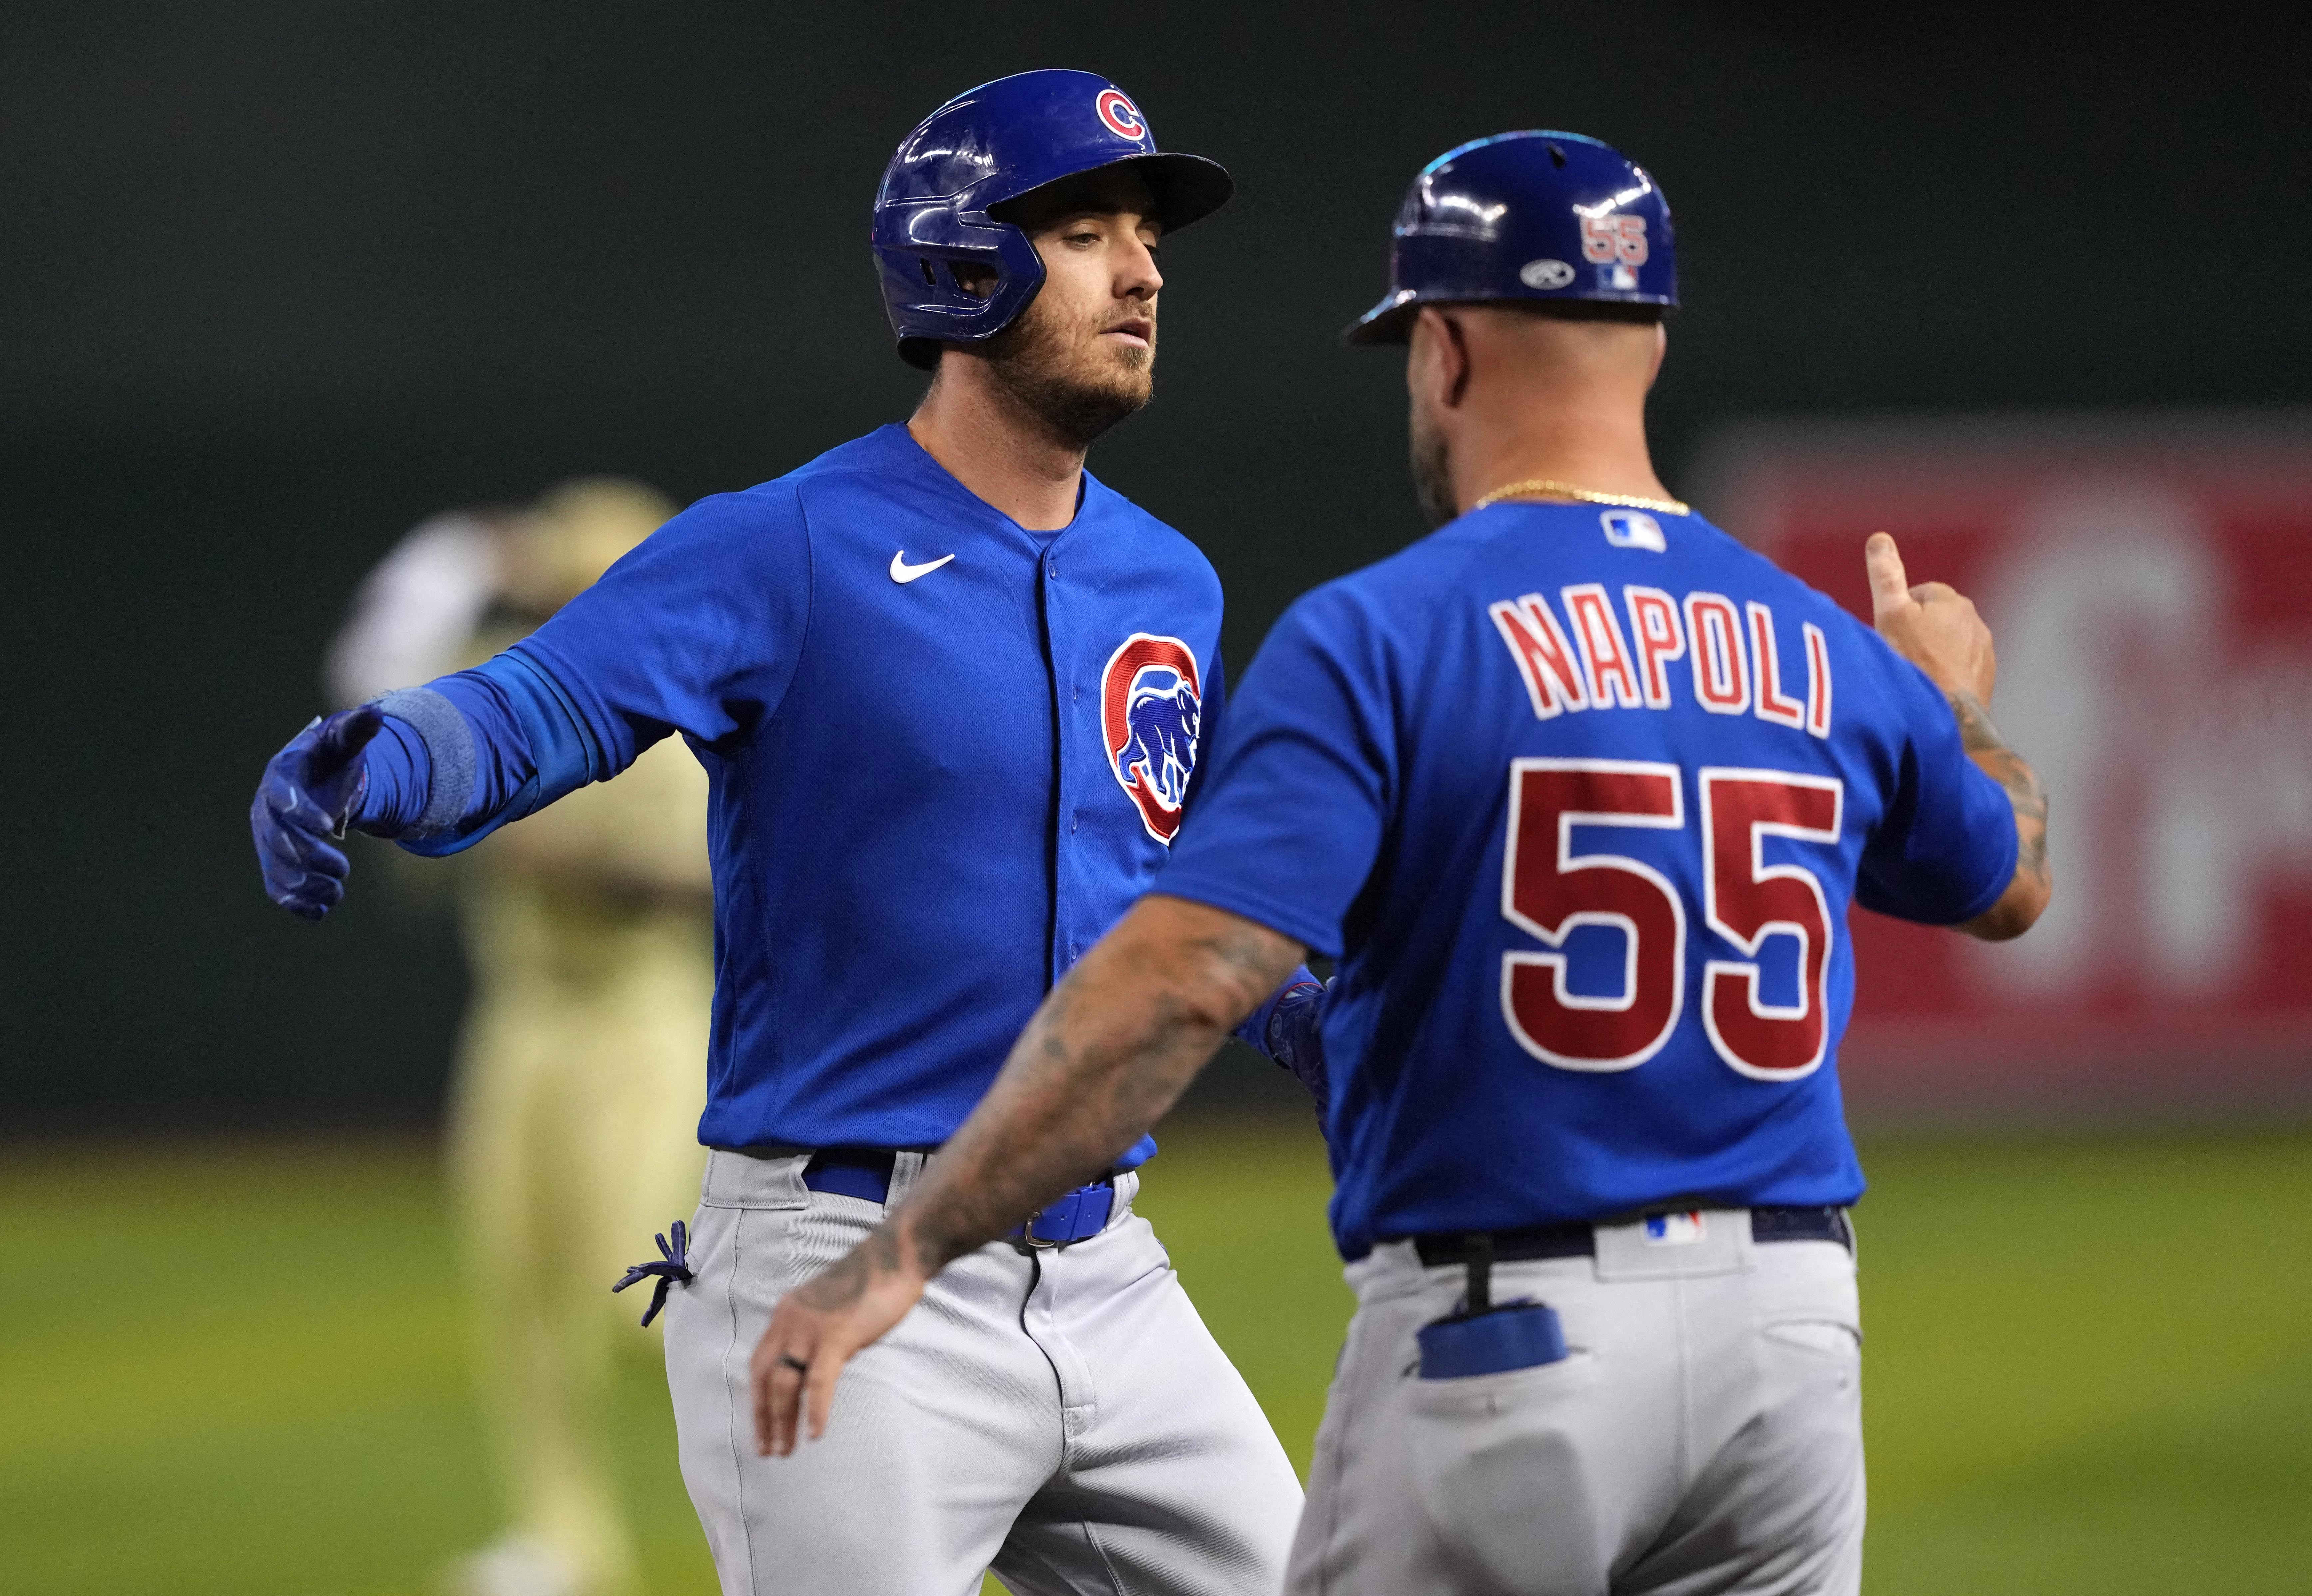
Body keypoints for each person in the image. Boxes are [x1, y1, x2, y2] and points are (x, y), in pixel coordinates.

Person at [750, 131, 2054, 1596]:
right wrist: (1944, 700)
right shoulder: (1817, 646)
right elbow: (2004, 880)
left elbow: (1177, 984)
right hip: (1792, 1342)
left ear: (1441, 350)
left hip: (1514, 1336)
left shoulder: (1386, 634)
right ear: (1648, 338)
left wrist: (902, 1251)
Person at [250, 70, 1323, 1596]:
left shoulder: (1168, 582)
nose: (1143, 271)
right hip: (839, 1254)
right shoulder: (790, 544)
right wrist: (390, 750)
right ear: (964, 258)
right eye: (1085, 231)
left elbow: (1185, 897)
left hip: (1110, 1271)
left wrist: (1327, 1020)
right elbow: (545, 703)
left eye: (1144, 237)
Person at [329, 480, 715, 1596]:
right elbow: (373, 687)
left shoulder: (676, 704)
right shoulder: (510, 692)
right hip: (526, 1015)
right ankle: (565, 1537)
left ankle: (827, 1430)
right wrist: (457, 551)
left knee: (633, 1286)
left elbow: (699, 884)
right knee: (518, 1284)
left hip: (641, 1019)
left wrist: (562, 862)